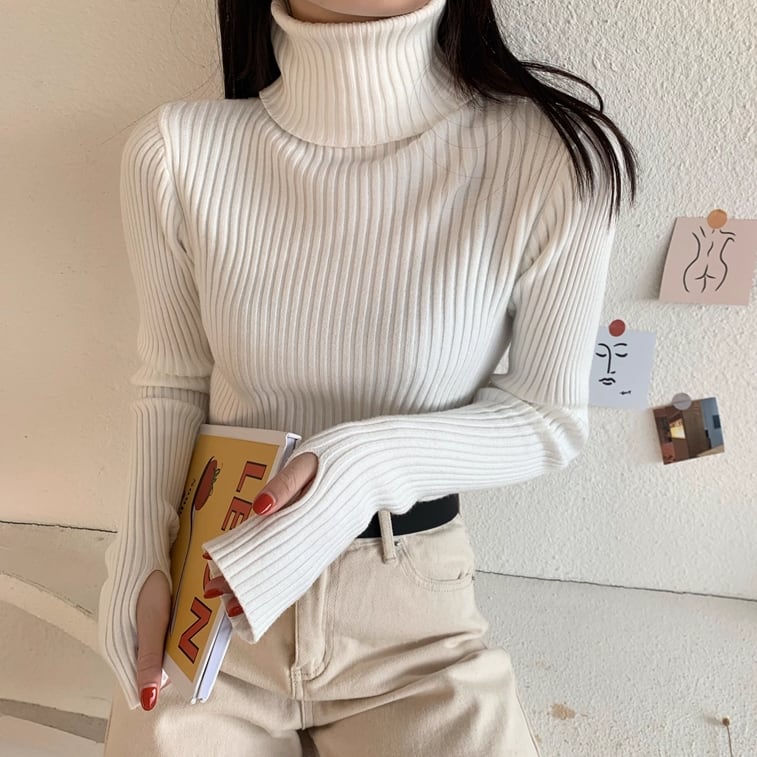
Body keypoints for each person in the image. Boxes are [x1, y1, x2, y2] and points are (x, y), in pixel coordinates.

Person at [97, 0, 638, 753]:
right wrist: (138, 555)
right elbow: (173, 381)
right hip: (212, 597)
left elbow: (548, 416)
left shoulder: (555, 158)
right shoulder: (173, 154)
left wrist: (360, 469)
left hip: (415, 629)